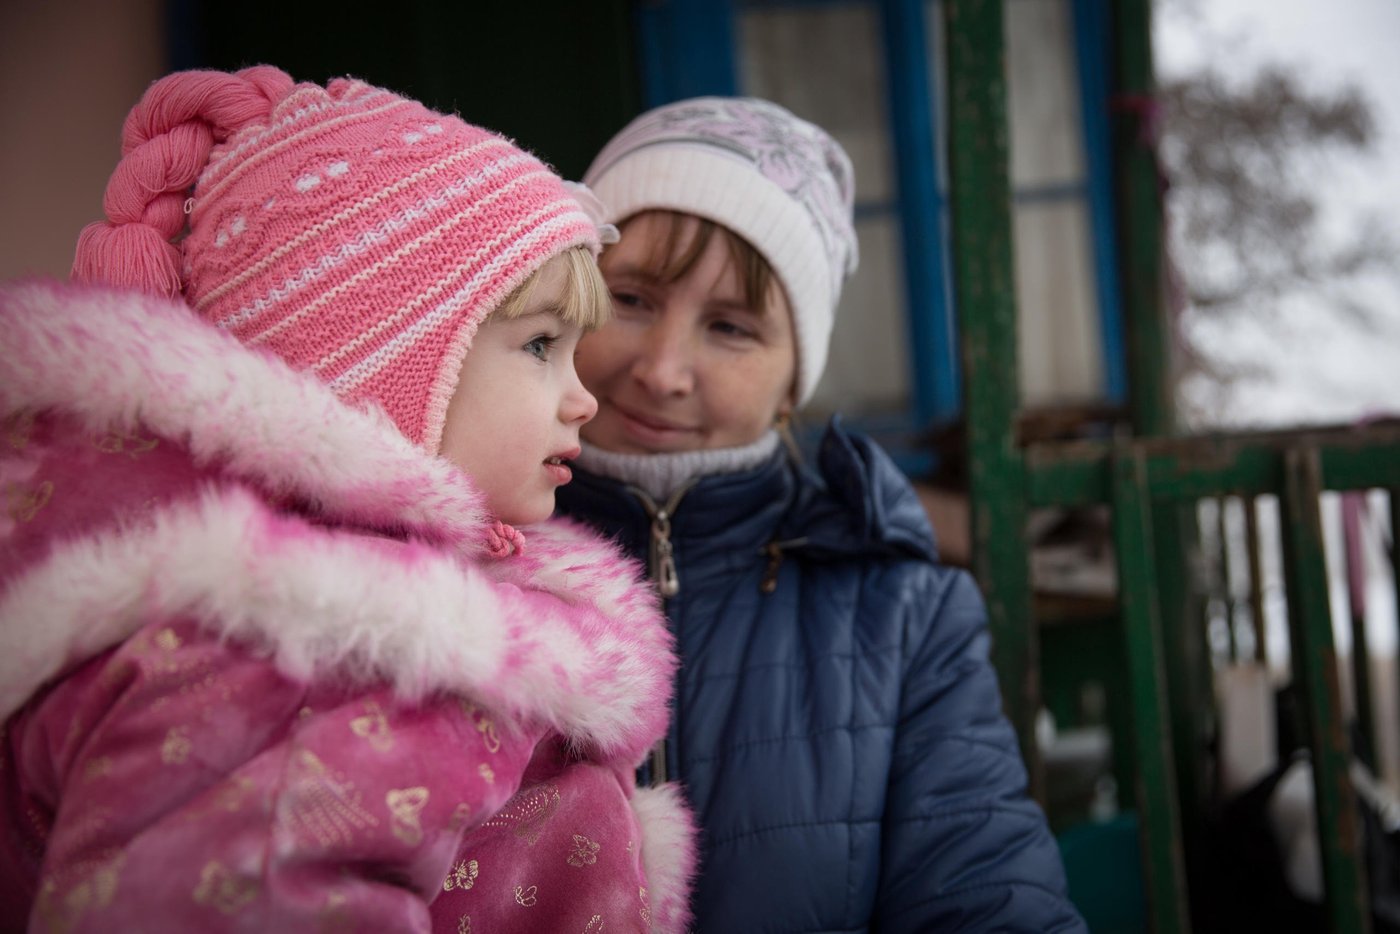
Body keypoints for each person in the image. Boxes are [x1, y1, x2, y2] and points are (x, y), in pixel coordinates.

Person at [0, 66, 695, 932]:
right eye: (541, 345)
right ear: (383, 374)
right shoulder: (326, 655)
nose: (581, 396)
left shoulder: (378, 617)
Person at [555, 96, 1087, 931]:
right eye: (631, 298)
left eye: (730, 327)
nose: (663, 369)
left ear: (793, 378)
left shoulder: (905, 622)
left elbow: (986, 896)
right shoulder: (461, 554)